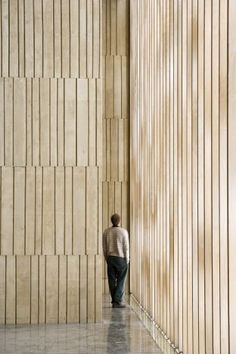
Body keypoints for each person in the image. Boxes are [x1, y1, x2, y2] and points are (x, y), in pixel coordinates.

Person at [103, 213, 129, 308]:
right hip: (121, 258)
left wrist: (107, 258)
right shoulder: (123, 232)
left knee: (111, 280)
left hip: (110, 258)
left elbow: (104, 247)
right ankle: (117, 301)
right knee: (121, 280)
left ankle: (114, 300)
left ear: (111, 220)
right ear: (119, 221)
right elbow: (126, 247)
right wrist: (127, 259)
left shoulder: (106, 232)